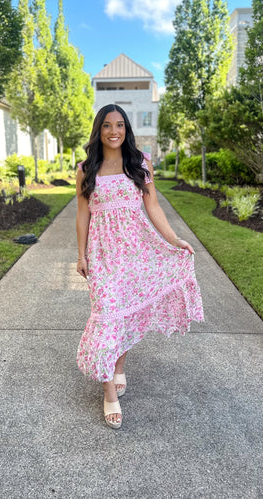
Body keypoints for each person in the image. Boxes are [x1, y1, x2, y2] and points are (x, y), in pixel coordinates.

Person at [76, 104, 204, 429]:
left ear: (126, 128)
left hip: (134, 253)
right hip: (103, 256)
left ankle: (118, 367)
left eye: (119, 125)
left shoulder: (140, 164)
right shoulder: (86, 168)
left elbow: (153, 207)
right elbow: (82, 214)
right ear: (99, 130)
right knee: (106, 316)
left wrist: (174, 240)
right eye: (107, 126)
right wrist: (81, 255)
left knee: (127, 313)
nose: (114, 131)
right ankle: (108, 394)